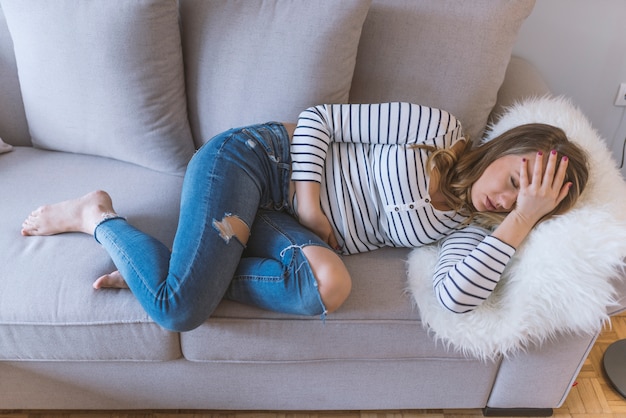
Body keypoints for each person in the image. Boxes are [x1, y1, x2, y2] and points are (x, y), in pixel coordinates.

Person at [21, 102, 589, 331]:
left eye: (526, 205)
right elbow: (317, 119)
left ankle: (171, 268)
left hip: (277, 225)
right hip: (255, 163)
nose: (506, 201)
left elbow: (454, 298)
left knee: (331, 283)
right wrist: (313, 206)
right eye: (515, 181)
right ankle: (98, 217)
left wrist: (519, 223)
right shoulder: (434, 131)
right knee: (178, 310)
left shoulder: (469, 232)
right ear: (505, 148)